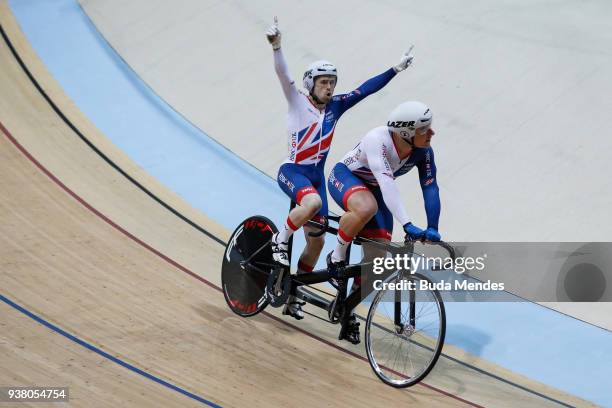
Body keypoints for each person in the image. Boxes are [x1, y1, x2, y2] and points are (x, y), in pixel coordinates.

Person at [265, 17, 416, 320]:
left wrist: (395, 70)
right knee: (313, 203)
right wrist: (277, 47)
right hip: (293, 171)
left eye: (332, 82)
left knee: (317, 241)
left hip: (316, 177)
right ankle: (278, 239)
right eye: (323, 82)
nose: (330, 87)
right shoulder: (297, 102)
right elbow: (283, 74)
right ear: (310, 84)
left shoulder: (335, 107)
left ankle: (293, 291)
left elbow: (364, 90)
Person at [327, 101, 442, 343]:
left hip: (374, 190)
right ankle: (336, 256)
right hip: (345, 177)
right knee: (367, 206)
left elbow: (430, 187)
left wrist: (433, 227)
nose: (432, 133)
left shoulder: (424, 152)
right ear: (406, 133)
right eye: (425, 129)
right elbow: (387, 182)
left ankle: (347, 309)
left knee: (377, 264)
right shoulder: (377, 139)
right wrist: (407, 223)